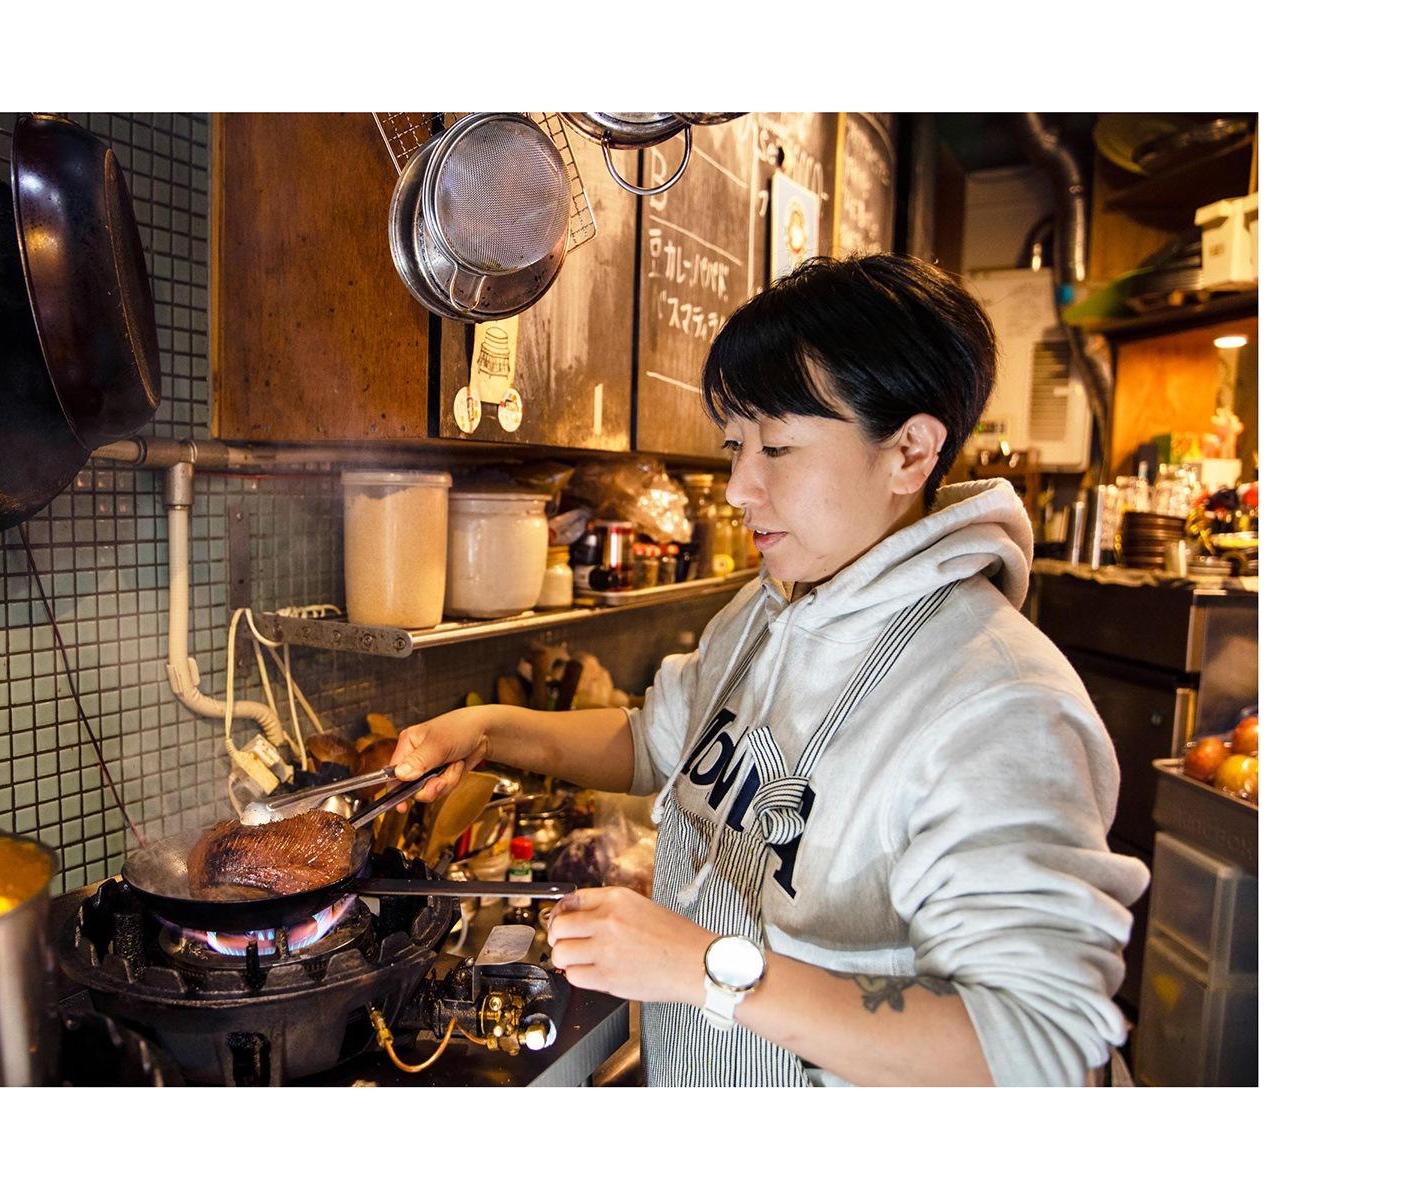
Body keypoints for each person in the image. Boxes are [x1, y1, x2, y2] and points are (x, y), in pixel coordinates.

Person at [389, 254, 1149, 1086]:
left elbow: (1035, 1052)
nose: (739, 487)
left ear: (910, 452)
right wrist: (488, 730)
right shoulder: (770, 607)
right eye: (735, 444)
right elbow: (657, 742)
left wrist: (703, 969)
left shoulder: (1001, 704)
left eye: (778, 447)